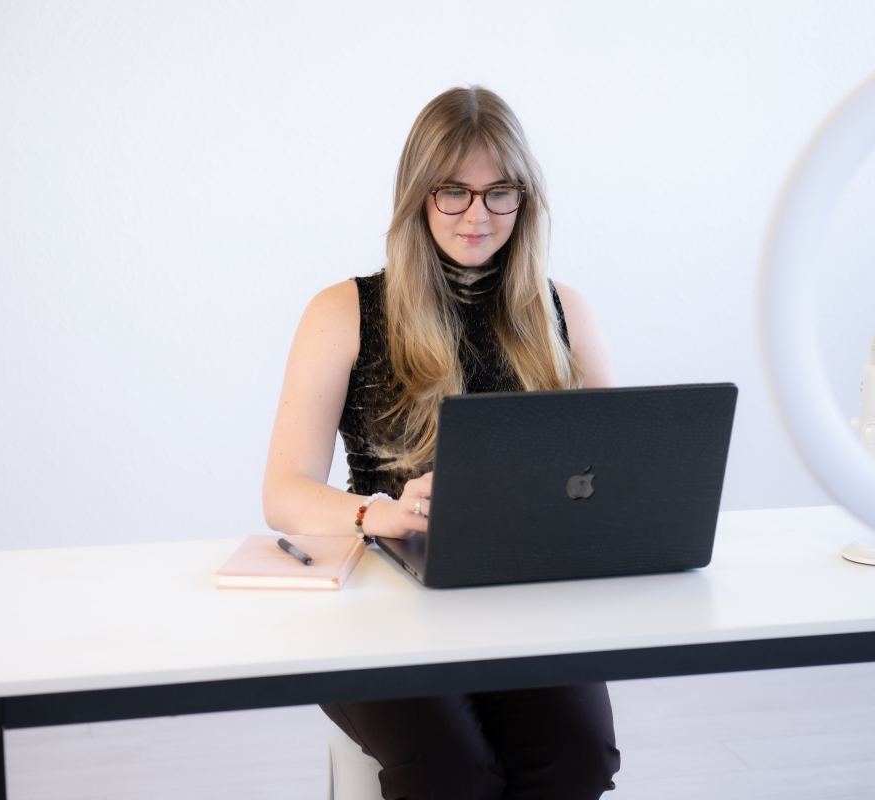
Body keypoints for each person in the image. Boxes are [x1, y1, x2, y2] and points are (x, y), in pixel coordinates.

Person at [262, 86, 620, 800]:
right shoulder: (345, 312)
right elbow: (283, 493)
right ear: (418, 195)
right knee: (452, 773)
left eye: (500, 193)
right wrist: (381, 514)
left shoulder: (561, 311)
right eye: (453, 191)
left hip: (519, 597)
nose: (477, 215)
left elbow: (616, 469)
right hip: (377, 601)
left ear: (526, 198)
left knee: (579, 758)